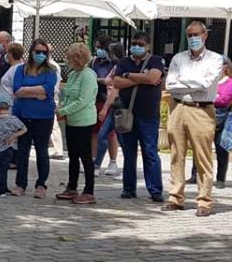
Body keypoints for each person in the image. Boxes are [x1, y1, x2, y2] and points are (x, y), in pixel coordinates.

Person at [164, 21, 225, 216]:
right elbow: (170, 84)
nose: (192, 39)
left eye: (196, 34)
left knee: (203, 156)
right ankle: (176, 197)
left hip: (202, 109)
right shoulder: (178, 58)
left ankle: (204, 200)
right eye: (189, 35)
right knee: (176, 154)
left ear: (205, 35)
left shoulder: (215, 59)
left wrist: (183, 81)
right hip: (178, 107)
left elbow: (206, 83)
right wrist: (192, 83)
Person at [111, 31, 166, 202]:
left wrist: (128, 76)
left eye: (140, 44)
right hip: (127, 113)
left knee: (150, 152)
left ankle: (155, 189)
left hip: (148, 115)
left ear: (147, 46)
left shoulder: (156, 60)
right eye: (134, 43)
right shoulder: (123, 62)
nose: (136, 47)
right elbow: (116, 82)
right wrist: (141, 78)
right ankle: (129, 188)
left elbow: (153, 78)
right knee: (129, 153)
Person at [11, 39, 58, 198]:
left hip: (43, 116)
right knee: (22, 151)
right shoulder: (20, 70)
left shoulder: (50, 71)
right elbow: (17, 90)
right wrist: (36, 93)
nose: (40, 55)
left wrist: (27, 90)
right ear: (31, 52)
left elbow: (47, 89)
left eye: (44, 52)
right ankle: (20, 184)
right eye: (38, 51)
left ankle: (41, 184)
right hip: (23, 115)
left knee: (42, 151)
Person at [56, 42, 99, 204]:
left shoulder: (88, 75)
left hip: (84, 120)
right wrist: (62, 107)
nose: (66, 60)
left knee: (85, 156)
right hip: (72, 120)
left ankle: (89, 190)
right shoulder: (74, 74)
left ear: (76, 58)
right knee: (73, 155)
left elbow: (83, 100)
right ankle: (72, 186)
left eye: (68, 57)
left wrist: (64, 111)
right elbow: (67, 94)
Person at [189, 57, 232, 188]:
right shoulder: (207, 82)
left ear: (225, 68)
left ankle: (220, 178)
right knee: (199, 146)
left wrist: (208, 97)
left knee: (221, 148)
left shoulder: (230, 82)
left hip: (222, 120)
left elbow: (223, 100)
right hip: (204, 117)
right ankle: (195, 175)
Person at [91, 37, 120, 176]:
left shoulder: (114, 63)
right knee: (95, 132)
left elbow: (112, 82)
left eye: (100, 47)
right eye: (96, 47)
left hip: (108, 99)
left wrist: (100, 80)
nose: (98, 50)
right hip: (95, 98)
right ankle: (95, 159)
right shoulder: (94, 61)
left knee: (109, 133)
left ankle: (112, 161)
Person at [0, 95, 27, 196]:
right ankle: (4, 186)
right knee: (5, 168)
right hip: (11, 148)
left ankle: (2, 188)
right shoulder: (14, 119)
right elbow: (24, 129)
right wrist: (14, 136)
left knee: (0, 169)